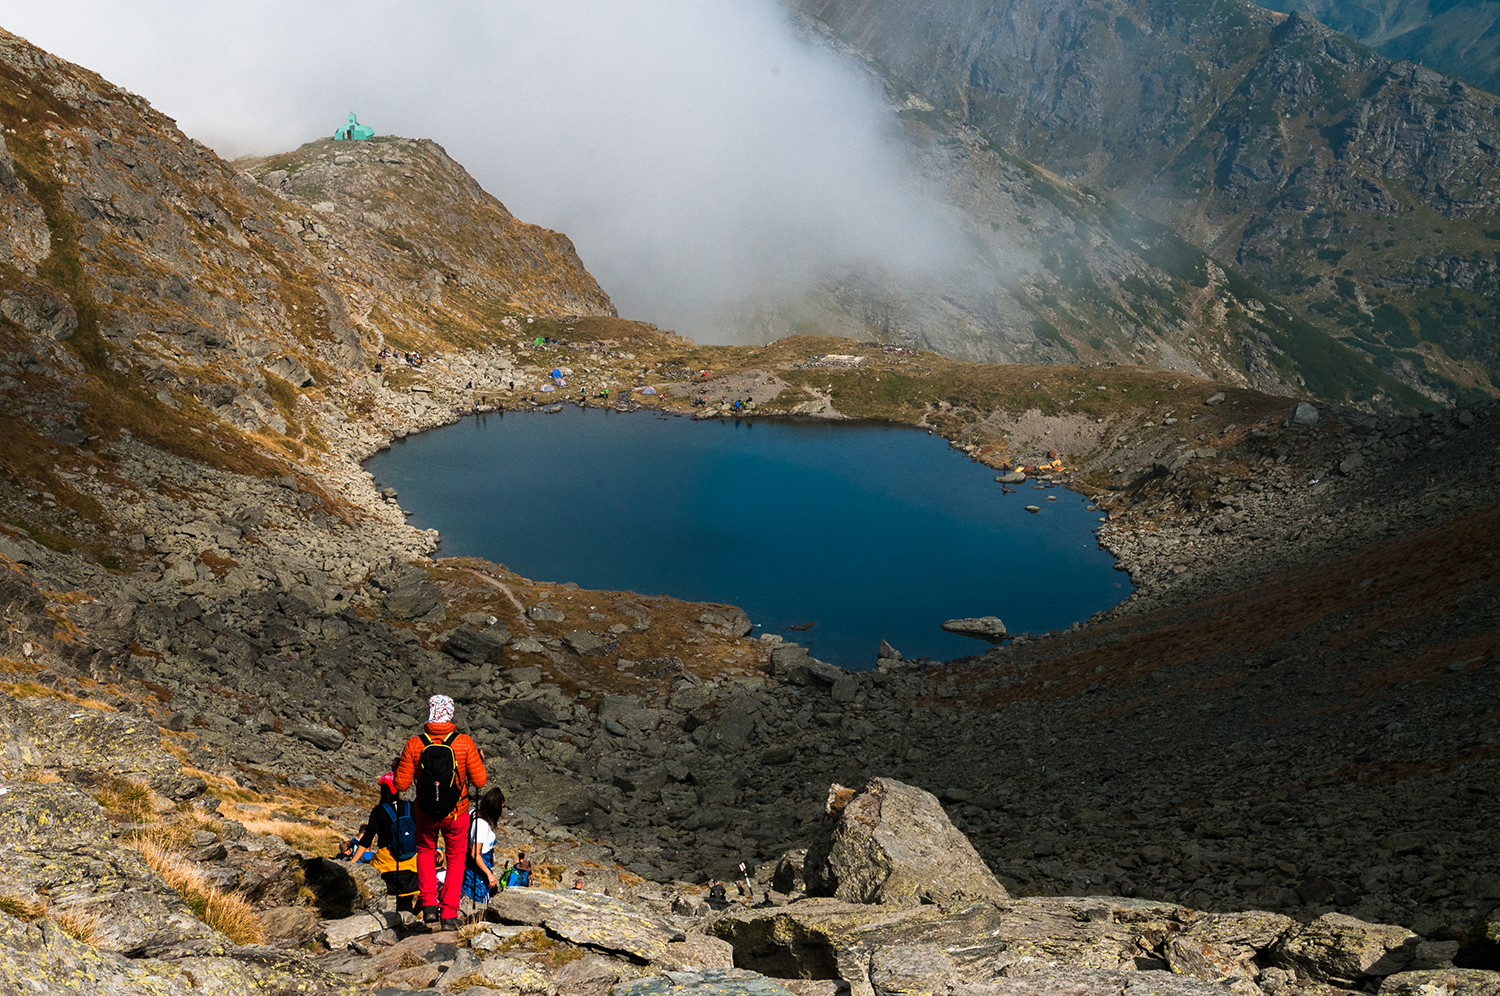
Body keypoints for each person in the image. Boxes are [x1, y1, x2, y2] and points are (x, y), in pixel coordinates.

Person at [394, 694, 488, 931]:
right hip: (457, 813)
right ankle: (448, 914)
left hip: (425, 814)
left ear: (430, 711)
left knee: (425, 852)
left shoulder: (415, 743)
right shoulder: (464, 742)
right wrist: (478, 760)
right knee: (456, 859)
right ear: (450, 713)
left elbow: (402, 785)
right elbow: (480, 781)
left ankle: (428, 907)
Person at [350, 773, 420, 911]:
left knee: (381, 899)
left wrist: (352, 863)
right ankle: (408, 922)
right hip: (410, 863)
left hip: (386, 865)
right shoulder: (410, 807)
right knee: (406, 899)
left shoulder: (378, 811)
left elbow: (366, 840)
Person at [462, 787, 505, 904]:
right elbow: (475, 854)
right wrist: (489, 874)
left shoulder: (473, 813)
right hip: (479, 870)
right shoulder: (482, 825)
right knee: (482, 900)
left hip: (468, 867)